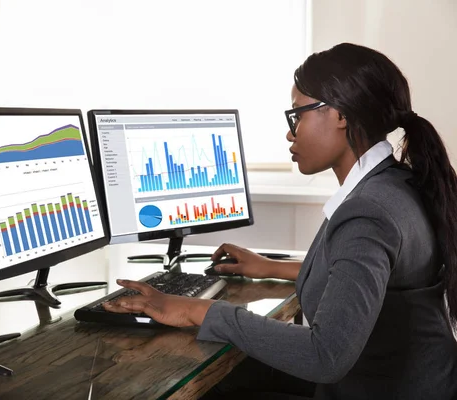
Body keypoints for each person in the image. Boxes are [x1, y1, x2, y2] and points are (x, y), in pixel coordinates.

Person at [103, 43, 457, 399]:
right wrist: (269, 266)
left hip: (374, 389)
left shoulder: (368, 211)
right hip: (409, 383)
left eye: (298, 115)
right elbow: (364, 278)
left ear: (341, 115)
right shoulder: (398, 183)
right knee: (233, 375)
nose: (290, 132)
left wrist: (199, 310)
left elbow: (326, 356)